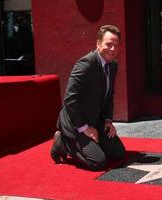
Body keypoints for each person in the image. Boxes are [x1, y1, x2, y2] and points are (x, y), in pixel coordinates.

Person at [50, 25, 126, 171]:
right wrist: (85, 128)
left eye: (116, 45)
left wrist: (108, 120)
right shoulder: (85, 64)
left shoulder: (113, 65)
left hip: (95, 119)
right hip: (76, 121)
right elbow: (70, 99)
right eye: (108, 44)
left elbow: (109, 95)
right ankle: (62, 142)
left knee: (118, 153)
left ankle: (92, 143)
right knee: (98, 162)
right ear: (98, 44)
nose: (113, 49)